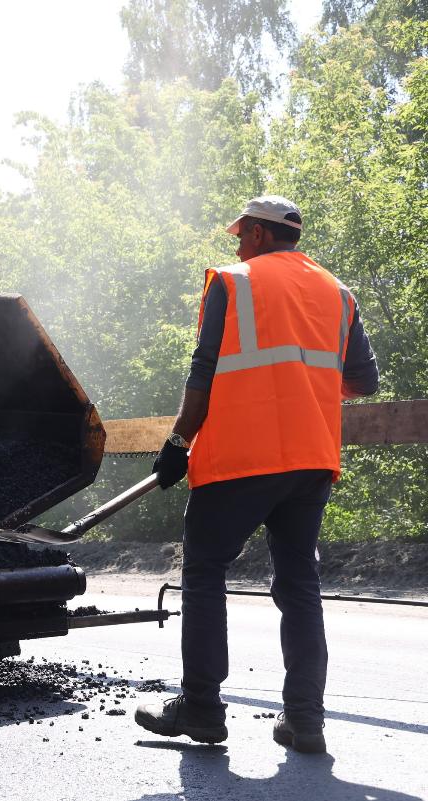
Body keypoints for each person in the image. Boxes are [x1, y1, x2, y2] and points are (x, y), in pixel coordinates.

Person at [134, 196, 379, 755]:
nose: (238, 243)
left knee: (203, 571)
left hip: (242, 458)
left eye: (243, 233)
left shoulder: (234, 281)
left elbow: (205, 368)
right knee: (300, 587)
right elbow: (363, 382)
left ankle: (200, 707)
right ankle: (305, 721)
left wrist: (178, 442)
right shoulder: (338, 292)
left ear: (263, 234)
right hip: (310, 461)